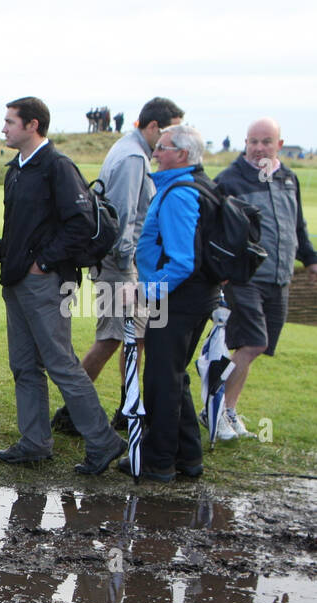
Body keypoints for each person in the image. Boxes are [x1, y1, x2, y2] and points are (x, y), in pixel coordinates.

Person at [0, 96, 124, 475]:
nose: (4, 128)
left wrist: (44, 263)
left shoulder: (57, 166)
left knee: (61, 363)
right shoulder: (16, 170)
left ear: (32, 125)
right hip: (18, 281)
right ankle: (34, 442)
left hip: (47, 283)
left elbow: (81, 224)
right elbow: (17, 232)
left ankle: (103, 442)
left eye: (10, 122)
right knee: (24, 365)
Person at [56, 97, 183, 436]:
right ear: (153, 126)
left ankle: (128, 410)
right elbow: (124, 215)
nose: (173, 141)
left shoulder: (133, 151)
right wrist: (128, 264)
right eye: (170, 131)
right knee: (113, 336)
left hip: (124, 262)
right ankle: (72, 411)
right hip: (120, 263)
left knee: (136, 337)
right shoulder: (132, 157)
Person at [212, 118, 317, 438]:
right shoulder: (229, 180)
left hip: (280, 278)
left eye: (266, 141)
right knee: (253, 343)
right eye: (253, 141)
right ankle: (214, 410)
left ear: (279, 145)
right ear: (245, 143)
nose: (259, 148)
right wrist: (221, 270)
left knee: (255, 347)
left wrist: (311, 262)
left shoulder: (289, 178)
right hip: (245, 279)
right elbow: (213, 232)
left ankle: (228, 410)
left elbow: (297, 226)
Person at [124, 125, 217, 482]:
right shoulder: (198, 184)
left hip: (177, 300)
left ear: (182, 154)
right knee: (175, 376)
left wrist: (147, 292)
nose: (156, 152)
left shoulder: (179, 193)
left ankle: (158, 461)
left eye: (162, 147)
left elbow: (181, 261)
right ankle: (187, 456)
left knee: (162, 379)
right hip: (193, 297)